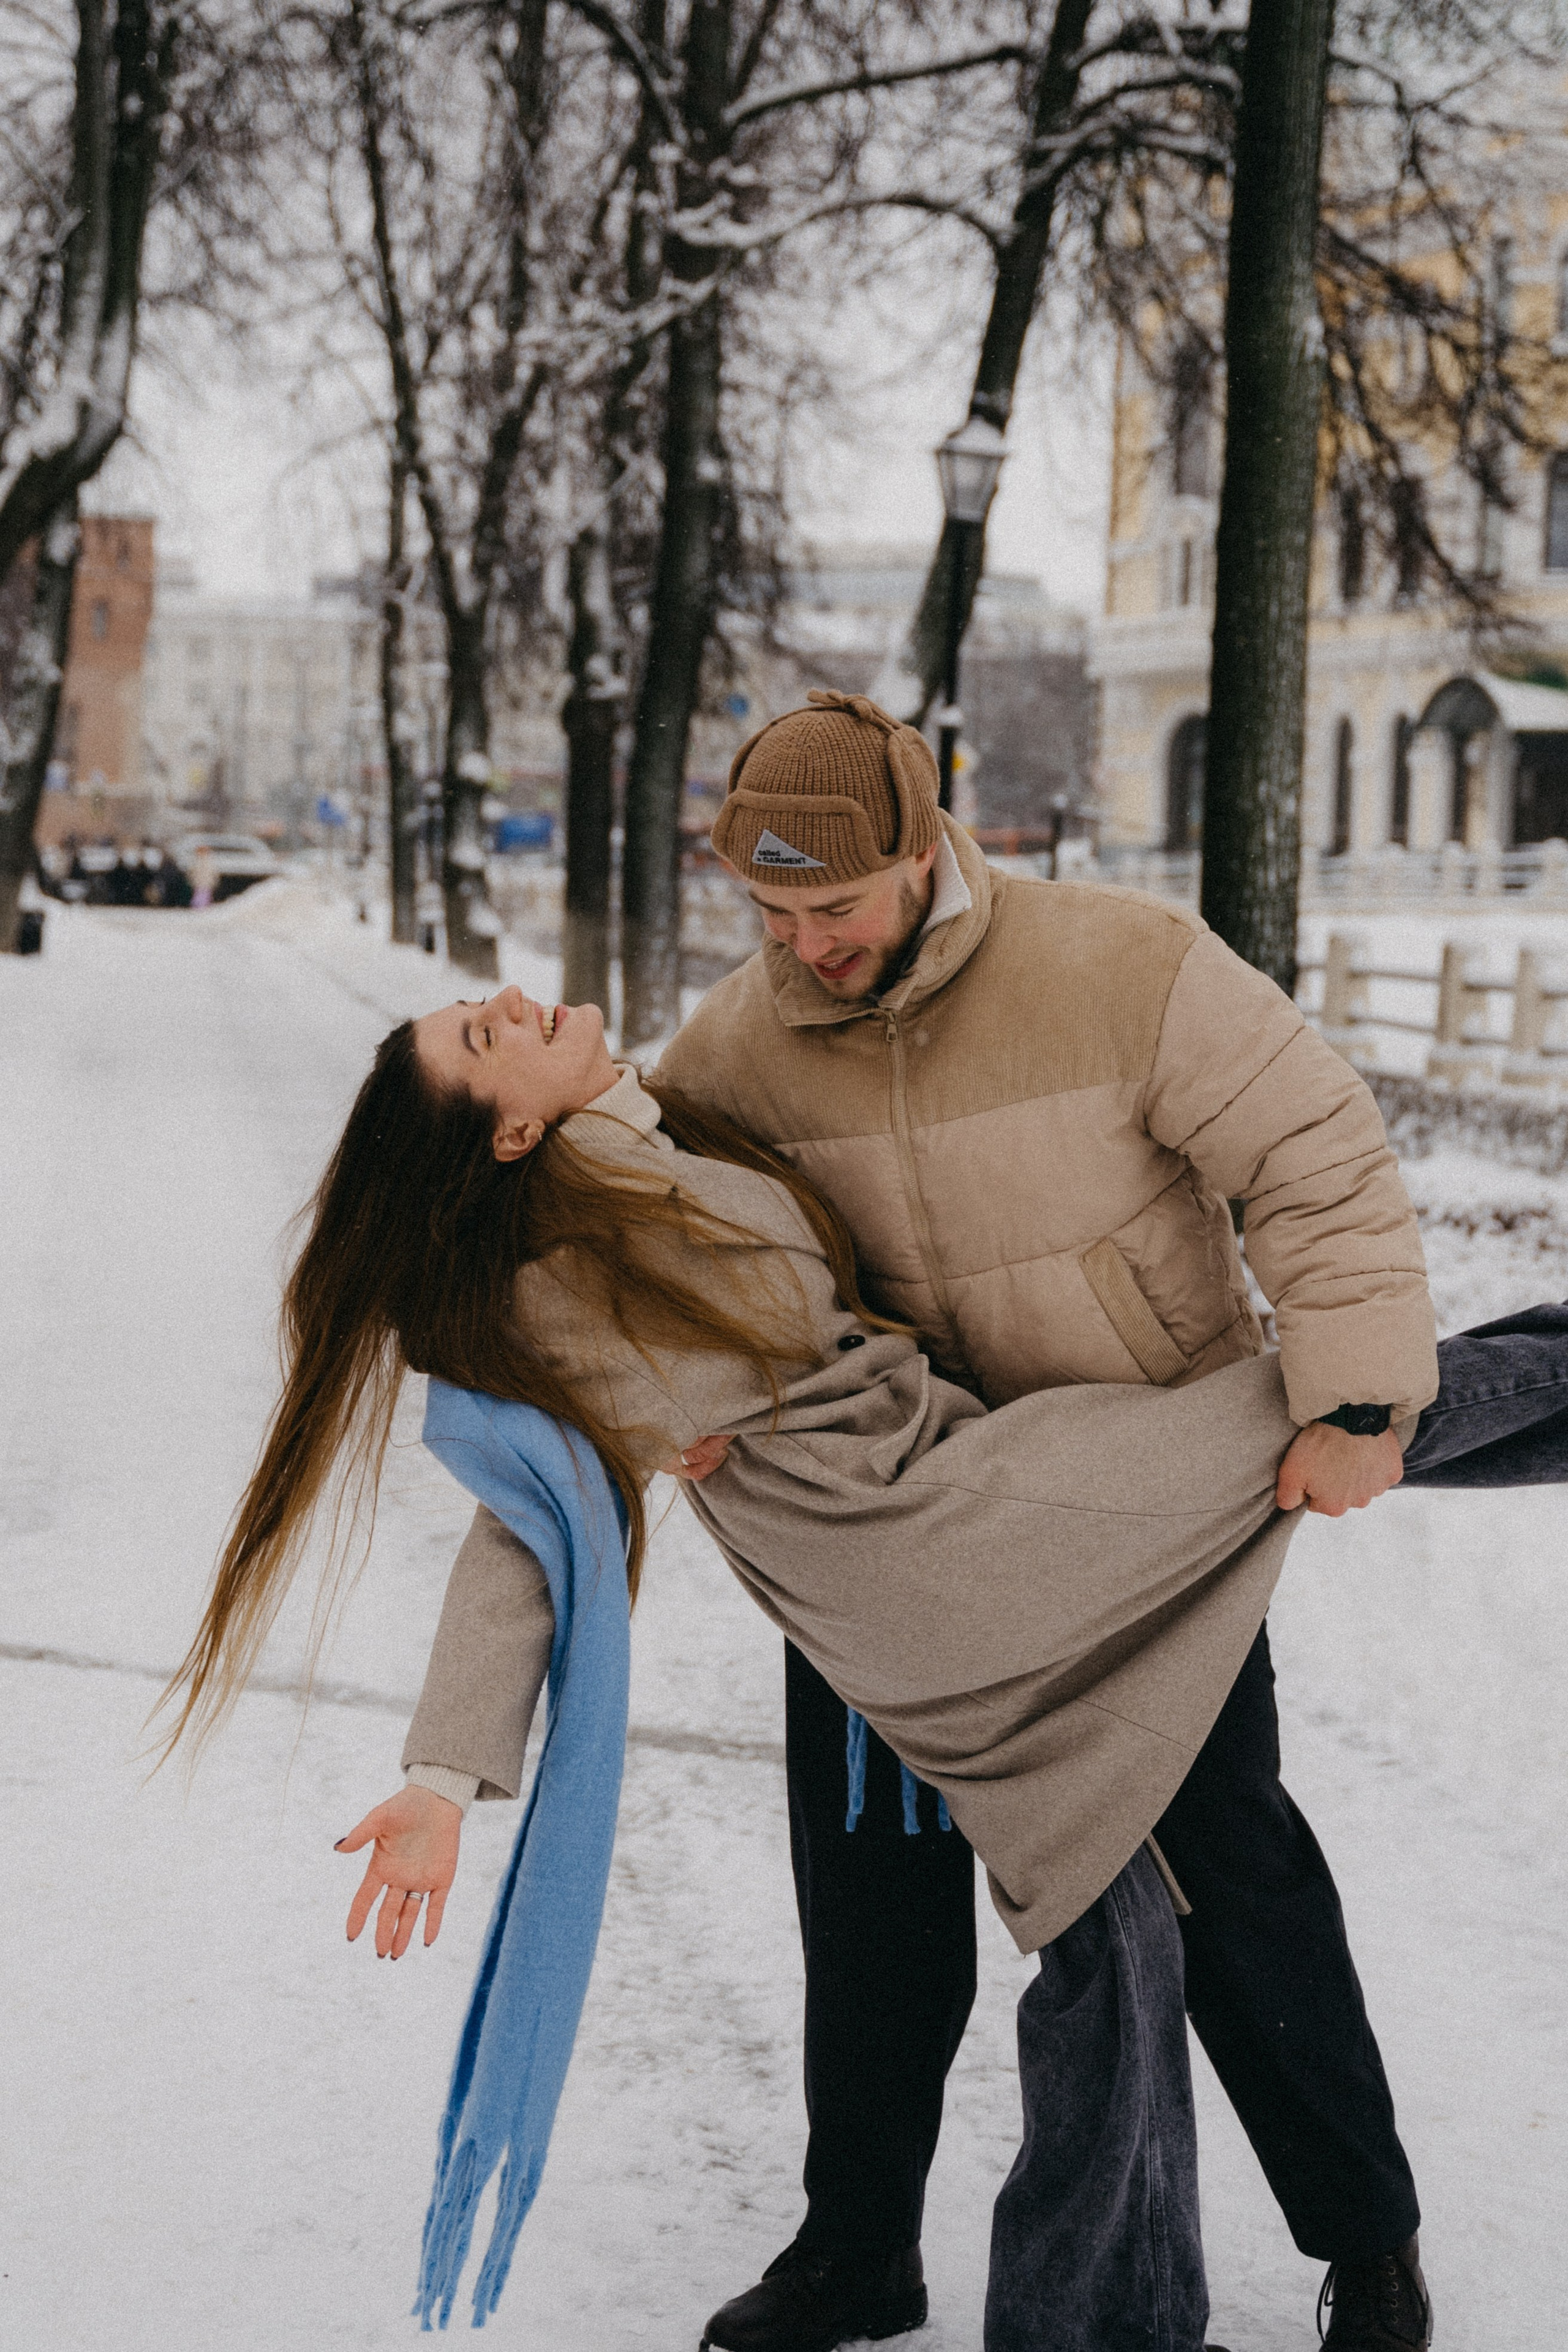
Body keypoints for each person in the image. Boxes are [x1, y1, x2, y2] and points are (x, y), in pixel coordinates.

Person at [162, 977, 1568, 2351]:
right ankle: (874, 2253)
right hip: (923, 1552)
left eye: (835, 903)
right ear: (507, 1135)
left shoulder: (673, 1117)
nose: (517, 999)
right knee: (1287, 1425)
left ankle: (1185, 2279)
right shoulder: (560, 1282)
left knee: (1165, 1867)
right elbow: (520, 1532)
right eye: (483, 1034)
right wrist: (438, 1772)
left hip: (944, 1506)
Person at [441, 693, 1447, 2352]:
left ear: (924, 850)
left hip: (1134, 1523)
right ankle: (859, 2249)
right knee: (872, 1899)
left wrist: (1351, 1397)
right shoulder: (731, 1055)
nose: (802, 947)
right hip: (892, 1544)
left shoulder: (1121, 966)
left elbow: (1313, 1150)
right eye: (770, 917)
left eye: (833, 908)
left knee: (1229, 1871)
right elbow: (649, 1258)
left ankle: (1368, 2233)